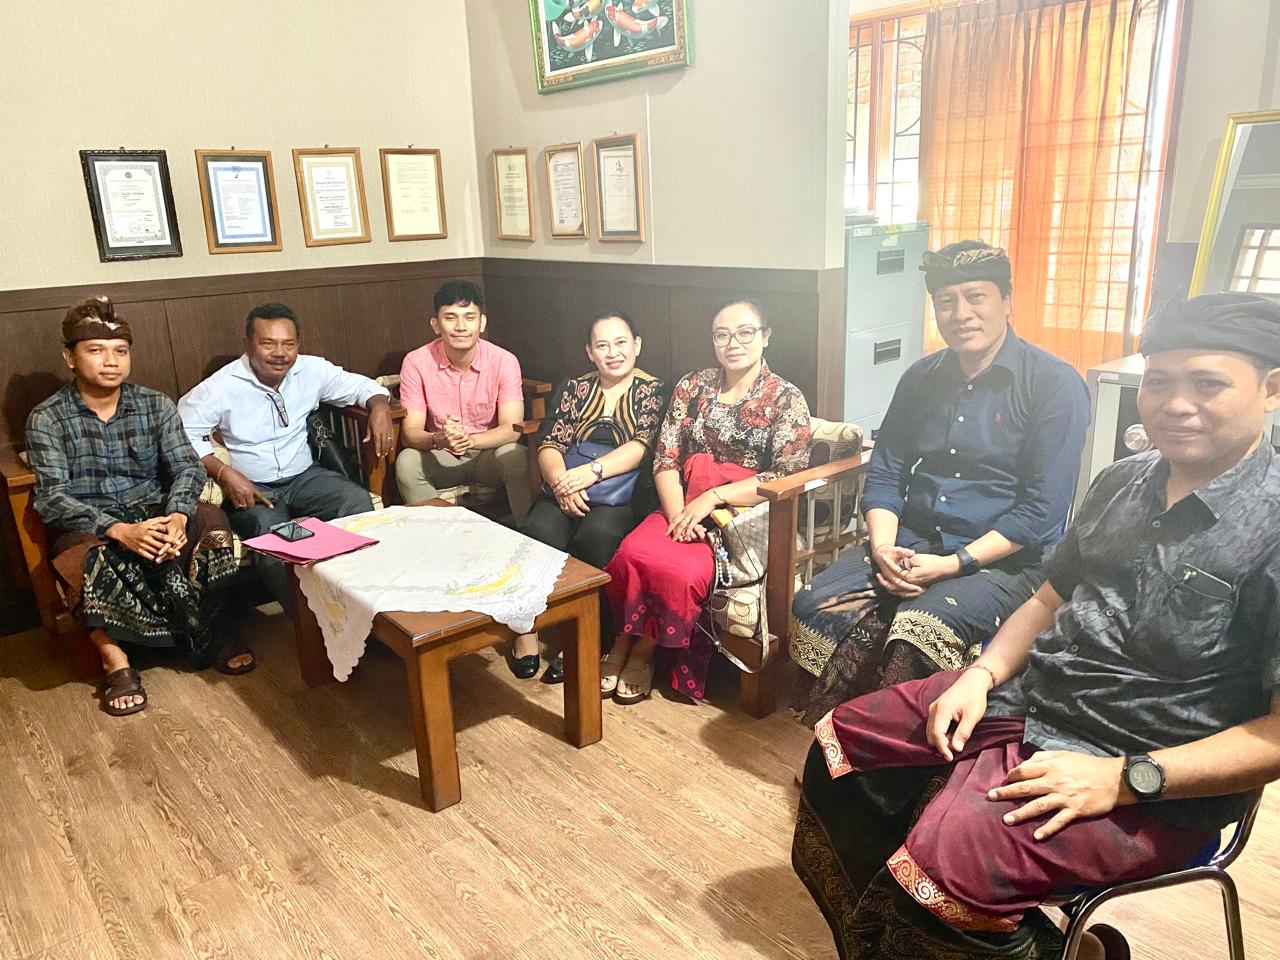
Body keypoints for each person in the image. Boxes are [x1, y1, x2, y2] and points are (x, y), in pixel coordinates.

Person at [792, 292, 1280, 960]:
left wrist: (1124, 778)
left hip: (1152, 767)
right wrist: (979, 675)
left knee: (950, 867)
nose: (1175, 404)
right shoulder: (1123, 481)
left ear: (1271, 388)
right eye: (1159, 381)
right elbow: (1050, 598)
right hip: (1034, 702)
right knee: (839, 753)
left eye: (1208, 384)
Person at [791, 241, 1090, 726]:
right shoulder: (921, 377)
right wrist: (882, 548)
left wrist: (954, 564)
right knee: (813, 602)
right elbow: (887, 471)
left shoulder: (1054, 384)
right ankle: (833, 735)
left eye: (976, 297)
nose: (961, 313)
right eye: (946, 301)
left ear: (1007, 300)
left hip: (1006, 560)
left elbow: (1042, 511)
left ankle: (892, 752)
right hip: (912, 542)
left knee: (919, 631)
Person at [25, 297, 244, 716]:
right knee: (80, 557)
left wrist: (177, 515)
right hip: (91, 521)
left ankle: (213, 631)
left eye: (120, 351)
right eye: (96, 350)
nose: (111, 361)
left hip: (155, 508)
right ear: (69, 357)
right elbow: (52, 498)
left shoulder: (154, 404)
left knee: (211, 520)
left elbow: (186, 467)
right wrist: (119, 530)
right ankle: (116, 660)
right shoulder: (47, 418)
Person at [603, 300, 812, 704]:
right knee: (631, 553)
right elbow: (665, 458)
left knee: (681, 571)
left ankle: (644, 651)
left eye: (745, 333)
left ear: (766, 336)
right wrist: (678, 516)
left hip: (743, 516)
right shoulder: (692, 385)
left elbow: (785, 476)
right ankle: (622, 640)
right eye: (722, 335)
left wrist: (714, 499)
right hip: (683, 504)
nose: (733, 343)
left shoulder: (786, 398)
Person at [177, 302, 393, 611]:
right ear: (248, 344)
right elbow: (182, 433)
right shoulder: (221, 386)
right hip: (254, 488)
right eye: (268, 344)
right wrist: (226, 473)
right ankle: (308, 619)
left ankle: (367, 604)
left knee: (355, 502)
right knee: (272, 535)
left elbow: (361, 386)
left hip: (306, 477)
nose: (280, 353)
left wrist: (380, 407)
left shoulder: (311, 370)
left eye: (288, 344)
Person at [517, 311, 665, 683]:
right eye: (602, 345)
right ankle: (526, 624)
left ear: (637, 345)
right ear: (589, 351)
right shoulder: (575, 388)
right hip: (568, 480)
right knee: (539, 530)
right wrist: (562, 483)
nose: (613, 352)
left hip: (623, 491)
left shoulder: (653, 390)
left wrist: (591, 473)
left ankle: (591, 633)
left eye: (621, 343)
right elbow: (550, 442)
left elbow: (642, 446)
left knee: (597, 537)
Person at [394, 280, 532, 523]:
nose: (460, 327)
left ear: (482, 323)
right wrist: (439, 438)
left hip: (487, 452)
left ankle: (528, 533)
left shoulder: (504, 361)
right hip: (440, 454)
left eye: (469, 317)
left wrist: (471, 440)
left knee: (517, 456)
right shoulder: (416, 362)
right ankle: (442, 533)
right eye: (450, 318)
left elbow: (512, 429)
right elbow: (410, 433)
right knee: (407, 462)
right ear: (435, 325)